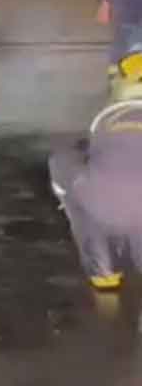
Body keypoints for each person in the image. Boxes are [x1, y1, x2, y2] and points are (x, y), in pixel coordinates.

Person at [49, 49, 142, 292]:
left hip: (105, 205)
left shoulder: (105, 118)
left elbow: (66, 158)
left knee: (66, 169)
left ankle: (104, 273)